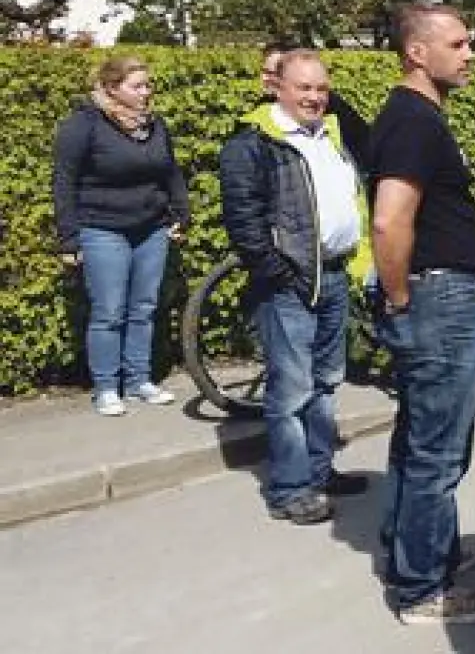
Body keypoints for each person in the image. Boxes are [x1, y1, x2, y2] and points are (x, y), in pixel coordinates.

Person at [368, 2, 475, 624]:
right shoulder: (413, 123)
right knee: (439, 450)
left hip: (435, 294)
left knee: (418, 437)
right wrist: (401, 298)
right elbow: (388, 218)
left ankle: (415, 549)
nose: (469, 52)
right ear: (416, 53)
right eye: (457, 42)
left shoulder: (414, 116)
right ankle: (422, 585)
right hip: (436, 299)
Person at [219, 50, 372, 524]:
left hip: (334, 273)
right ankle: (289, 488)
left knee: (325, 382)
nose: (314, 97)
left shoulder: (330, 135)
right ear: (277, 88)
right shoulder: (253, 144)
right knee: (291, 390)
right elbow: (243, 219)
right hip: (290, 283)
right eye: (304, 87)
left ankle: (320, 471)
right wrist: (275, 270)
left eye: (321, 88)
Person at [52, 56, 188, 417]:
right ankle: (106, 387)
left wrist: (180, 213)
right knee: (109, 311)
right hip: (102, 228)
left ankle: (139, 379)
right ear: (113, 88)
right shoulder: (84, 125)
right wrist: (68, 238)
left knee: (144, 308)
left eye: (148, 85)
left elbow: (170, 172)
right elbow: (64, 181)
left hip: (151, 227)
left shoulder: (153, 124)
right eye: (138, 86)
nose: (147, 92)